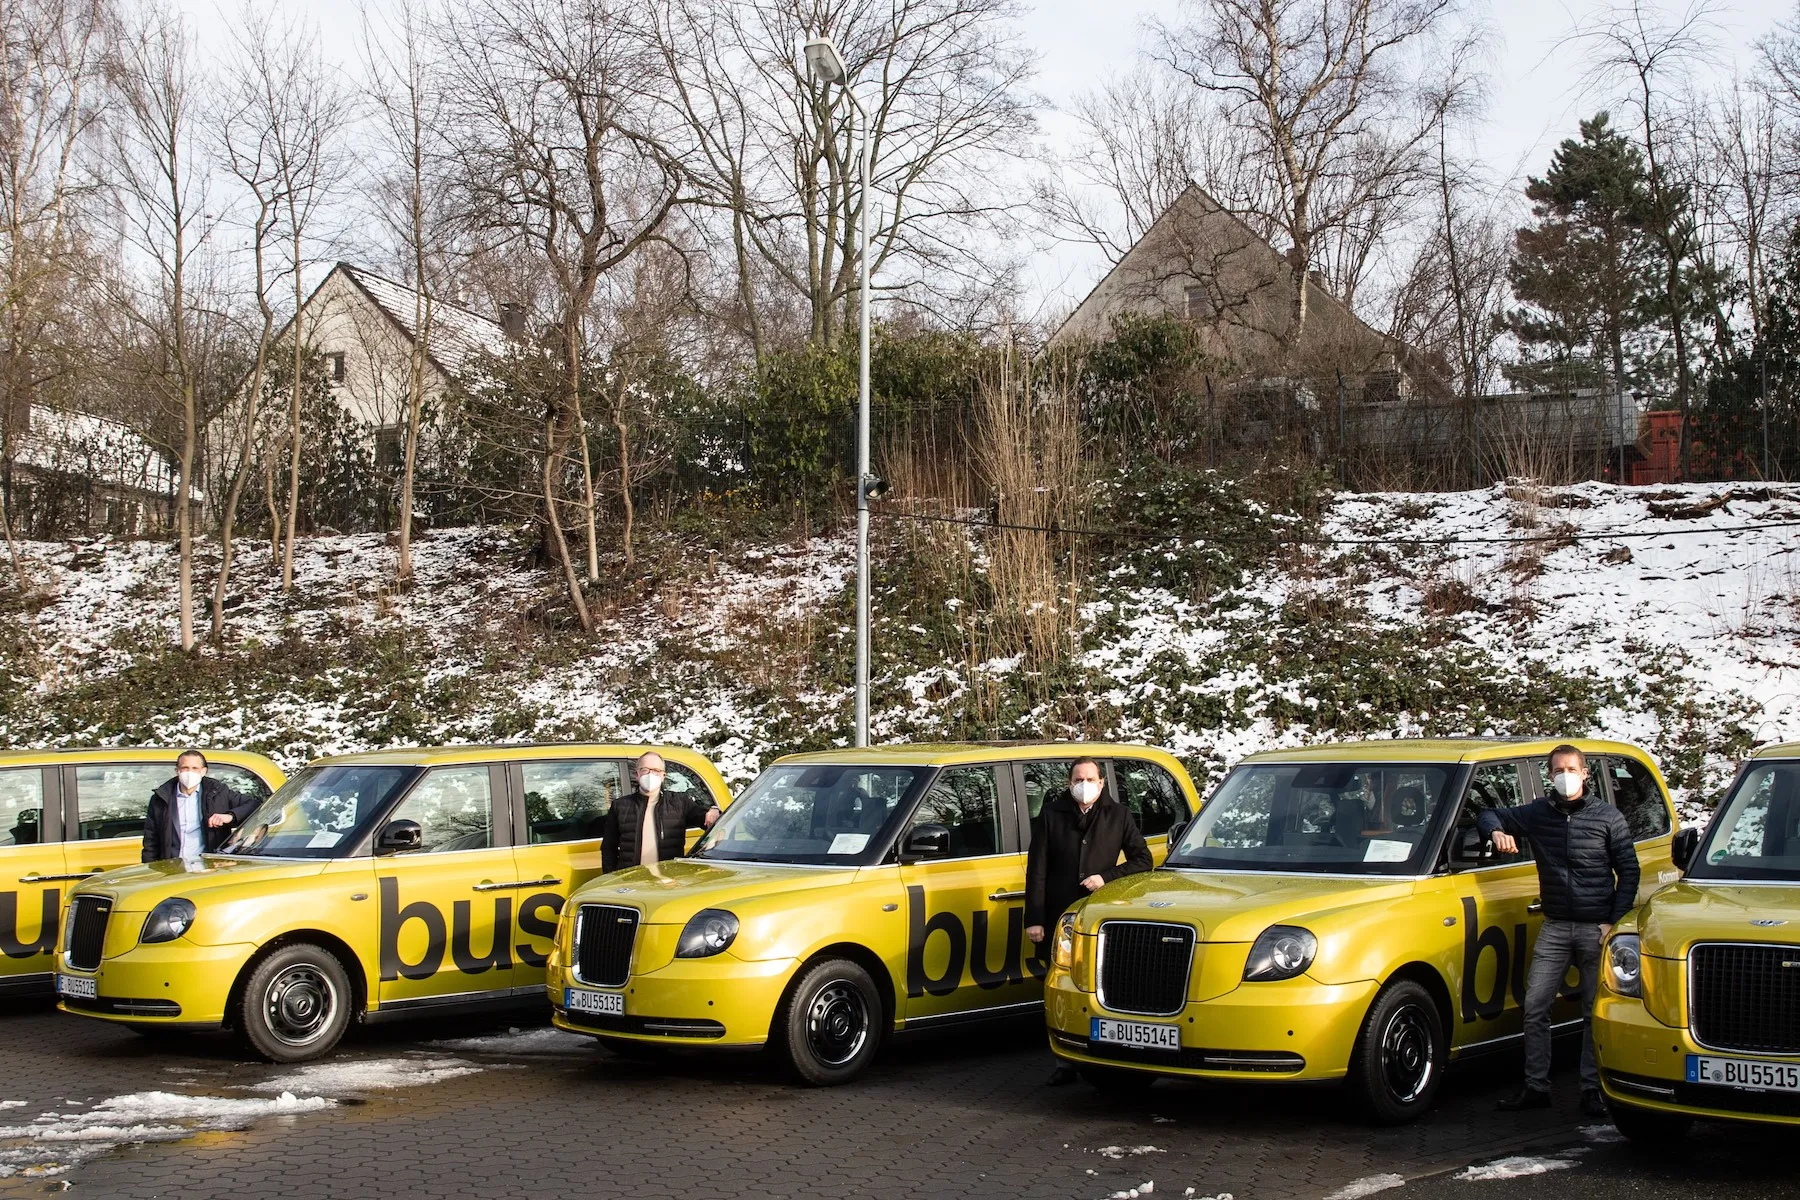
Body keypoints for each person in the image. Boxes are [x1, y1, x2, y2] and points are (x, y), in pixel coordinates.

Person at [1478, 744, 1639, 1118]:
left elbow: (1628, 871)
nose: (1565, 775)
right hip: (1554, 925)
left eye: (1572, 768)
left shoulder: (1608, 818)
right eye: (1558, 770)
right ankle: (1536, 1086)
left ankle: (1591, 1089)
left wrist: (1612, 922)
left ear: (1585, 774)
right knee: (1535, 1006)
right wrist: (1498, 831)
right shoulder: (1539, 813)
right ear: (1550, 776)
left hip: (1594, 928)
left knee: (1592, 1011)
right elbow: (1487, 813)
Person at [1025, 757, 1154, 1085]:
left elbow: (1143, 859)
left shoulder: (1119, 815)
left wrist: (1106, 878)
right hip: (1059, 913)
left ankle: (1103, 1051)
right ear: (1070, 783)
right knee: (1060, 983)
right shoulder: (1052, 814)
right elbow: (1036, 868)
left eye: (1090, 779)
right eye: (1077, 779)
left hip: (1099, 914)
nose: (1083, 785)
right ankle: (1063, 1060)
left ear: (1101, 783)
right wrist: (1035, 919)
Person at [601, 752, 721, 873]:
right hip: (631, 881)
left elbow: (708, 820)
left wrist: (714, 810)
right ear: (637, 774)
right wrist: (610, 877)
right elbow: (608, 848)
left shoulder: (679, 802)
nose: (650, 774)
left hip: (668, 880)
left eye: (656, 771)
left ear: (663, 776)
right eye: (645, 770)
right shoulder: (620, 806)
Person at [141, 750, 258, 864]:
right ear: (177, 771)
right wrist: (151, 868)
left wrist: (230, 816)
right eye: (185, 768)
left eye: (195, 768)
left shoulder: (217, 792)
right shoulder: (161, 798)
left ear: (203, 771)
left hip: (208, 866)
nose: (189, 772)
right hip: (173, 867)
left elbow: (254, 805)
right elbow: (151, 840)